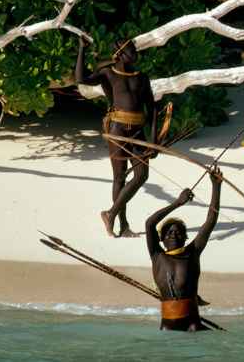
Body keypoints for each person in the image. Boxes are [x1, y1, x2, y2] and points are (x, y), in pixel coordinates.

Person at [76, 36, 157, 237]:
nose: (135, 53)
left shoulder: (142, 77)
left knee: (141, 175)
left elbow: (153, 109)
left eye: (135, 49)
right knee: (119, 177)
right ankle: (122, 224)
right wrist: (81, 50)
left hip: (138, 131)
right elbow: (81, 79)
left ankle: (110, 213)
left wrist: (154, 141)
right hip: (118, 130)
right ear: (119, 54)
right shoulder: (108, 73)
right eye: (131, 50)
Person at [145, 168, 222, 331]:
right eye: (169, 232)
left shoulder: (192, 252)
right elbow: (149, 223)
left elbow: (211, 221)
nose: (174, 234)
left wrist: (216, 186)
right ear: (161, 239)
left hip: (193, 324)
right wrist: (178, 202)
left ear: (185, 238)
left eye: (179, 232)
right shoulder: (156, 255)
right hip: (166, 325)